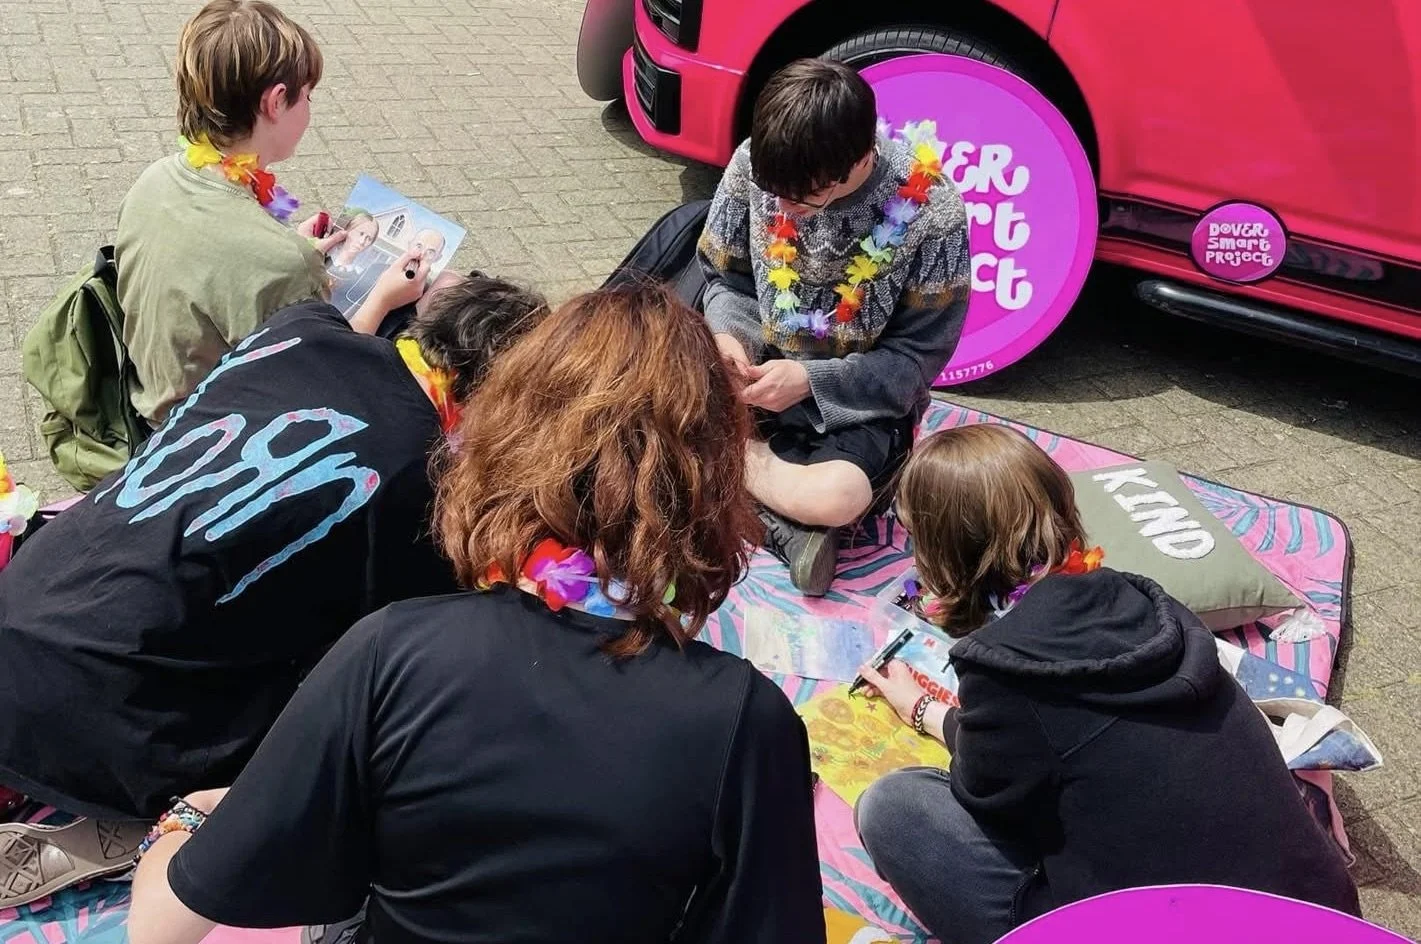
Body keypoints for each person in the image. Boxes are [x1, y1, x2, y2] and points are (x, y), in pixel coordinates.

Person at [125, 284, 826, 944]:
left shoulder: (392, 651)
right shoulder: (750, 722)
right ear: (714, 476)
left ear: (509, 434)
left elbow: (161, 925)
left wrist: (189, 817)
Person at [0, 270, 548, 907]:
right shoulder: (422, 480)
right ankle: (130, 823)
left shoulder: (300, 327)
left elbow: (349, 351)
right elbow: (401, 638)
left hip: (28, 598)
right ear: (497, 393)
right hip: (104, 705)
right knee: (332, 699)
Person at [851, 424, 1361, 944]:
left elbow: (989, 795)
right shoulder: (1150, 602)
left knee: (894, 808)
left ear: (946, 550)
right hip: (1319, 915)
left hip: (1160, 926)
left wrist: (924, 713)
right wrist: (930, 708)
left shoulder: (1007, 668)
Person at [697, 58, 972, 596]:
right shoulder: (755, 164)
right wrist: (730, 342)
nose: (784, 208)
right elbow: (725, 281)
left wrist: (810, 382)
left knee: (839, 497)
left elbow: (916, 364)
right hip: (752, 379)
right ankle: (782, 521)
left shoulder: (932, 213)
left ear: (861, 159)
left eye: (804, 196)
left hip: (854, 407)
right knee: (638, 399)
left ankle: (723, 467)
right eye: (774, 192)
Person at [115, 0, 408, 426]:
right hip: (206, 440)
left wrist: (289, 243)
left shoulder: (155, 178)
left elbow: (219, 258)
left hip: (149, 397)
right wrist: (383, 298)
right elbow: (328, 382)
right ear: (275, 102)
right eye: (307, 95)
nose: (309, 109)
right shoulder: (285, 264)